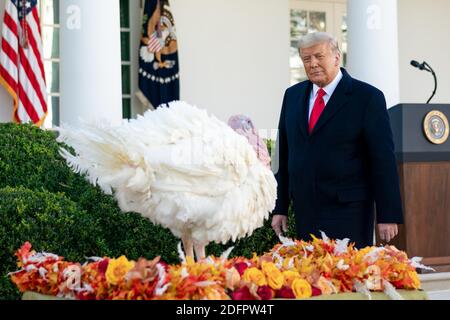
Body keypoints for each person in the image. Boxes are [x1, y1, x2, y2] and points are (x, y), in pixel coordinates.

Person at [271, 32, 403, 248]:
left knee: (347, 278)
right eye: (306, 59)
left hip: (349, 211)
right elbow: (284, 156)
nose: (312, 64)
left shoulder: (367, 97)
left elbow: (382, 160)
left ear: (336, 57)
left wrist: (388, 214)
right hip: (306, 211)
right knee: (311, 277)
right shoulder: (292, 96)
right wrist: (280, 207)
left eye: (318, 56)